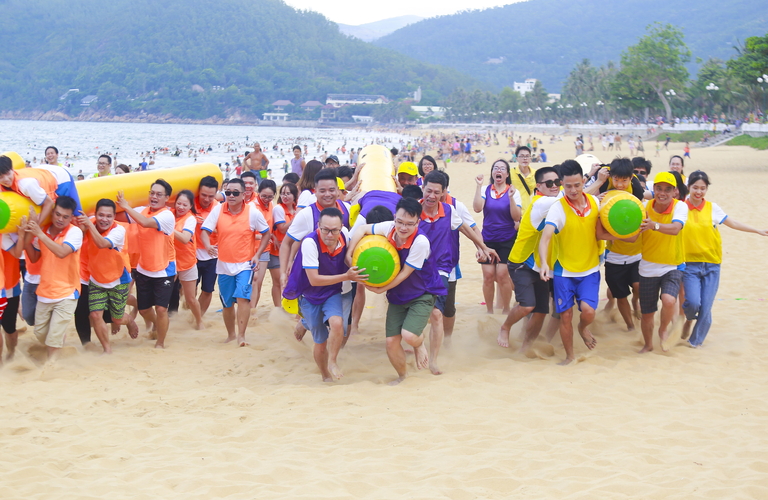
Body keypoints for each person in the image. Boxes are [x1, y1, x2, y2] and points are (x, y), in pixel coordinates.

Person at [347, 198, 446, 385]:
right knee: (391, 342)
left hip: (421, 292)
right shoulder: (390, 227)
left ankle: (419, 343)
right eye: (400, 222)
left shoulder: (420, 242)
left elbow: (404, 274)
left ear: (417, 223)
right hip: (398, 294)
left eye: (409, 224)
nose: (403, 227)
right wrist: (349, 253)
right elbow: (362, 229)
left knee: (409, 335)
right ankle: (402, 376)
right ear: (394, 218)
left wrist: (380, 289)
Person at [538, 160, 618, 365]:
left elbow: (605, 228)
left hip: (589, 269)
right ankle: (570, 356)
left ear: (583, 181)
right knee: (565, 316)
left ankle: (583, 328)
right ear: (562, 184)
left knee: (588, 311)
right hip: (564, 272)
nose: (573, 190)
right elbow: (545, 237)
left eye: (577, 185)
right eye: (568, 186)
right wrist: (545, 263)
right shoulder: (558, 208)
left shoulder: (595, 203)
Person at [419, 170, 495, 374]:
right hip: (415, 270)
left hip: (443, 269)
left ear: (444, 192)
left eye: (437, 192)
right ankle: (419, 346)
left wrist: (483, 247)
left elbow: (467, 229)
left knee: (439, 312)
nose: (432, 196)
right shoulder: (413, 211)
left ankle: (434, 359)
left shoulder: (451, 210)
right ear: (422, 188)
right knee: (417, 311)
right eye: (428, 191)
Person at [681, 171, 768, 347]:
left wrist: (757, 230)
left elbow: (732, 223)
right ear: (688, 187)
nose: (699, 192)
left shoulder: (712, 208)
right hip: (689, 264)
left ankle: (695, 343)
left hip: (712, 264)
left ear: (707, 189)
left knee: (706, 307)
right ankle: (689, 319)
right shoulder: (680, 207)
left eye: (703, 188)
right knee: (693, 303)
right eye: (695, 187)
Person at [283, 207, 368, 381]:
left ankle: (333, 361)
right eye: (325, 230)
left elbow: (359, 239)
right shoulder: (310, 242)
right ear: (318, 226)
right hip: (310, 294)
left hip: (332, 291)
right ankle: (325, 375)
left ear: (341, 228)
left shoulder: (344, 235)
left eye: (334, 230)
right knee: (320, 342)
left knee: (337, 324)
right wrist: (347, 276)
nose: (330, 235)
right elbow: (314, 280)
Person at [200, 178, 270, 346]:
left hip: (245, 264)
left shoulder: (252, 212)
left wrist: (257, 254)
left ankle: (241, 336)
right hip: (223, 264)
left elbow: (266, 233)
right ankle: (231, 335)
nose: (231, 196)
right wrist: (208, 245)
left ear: (244, 195)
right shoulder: (218, 210)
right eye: (228, 192)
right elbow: (204, 231)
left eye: (235, 193)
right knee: (227, 303)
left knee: (242, 298)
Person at [498, 166, 562, 350]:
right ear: (538, 187)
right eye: (549, 183)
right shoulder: (541, 203)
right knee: (527, 306)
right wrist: (595, 184)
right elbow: (569, 199)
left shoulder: (554, 201)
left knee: (541, 311)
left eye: (557, 182)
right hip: (521, 262)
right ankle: (505, 327)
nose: (554, 186)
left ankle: (526, 346)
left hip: (540, 264)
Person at [117, 179, 176, 349]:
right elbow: (119, 217)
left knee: (161, 309)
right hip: (144, 268)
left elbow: (145, 222)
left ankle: (160, 343)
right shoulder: (143, 211)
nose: (154, 197)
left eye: (159, 194)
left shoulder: (167, 215)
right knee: (144, 310)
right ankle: (158, 323)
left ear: (167, 198)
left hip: (164, 270)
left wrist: (126, 206)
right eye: (152, 193)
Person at [23, 196, 82, 361]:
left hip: (67, 292)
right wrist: (28, 233)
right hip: (45, 292)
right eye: (58, 214)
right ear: (52, 213)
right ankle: (57, 342)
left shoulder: (74, 232)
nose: (60, 219)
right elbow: (34, 257)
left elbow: (62, 252)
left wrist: (39, 234)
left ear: (71, 218)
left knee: (53, 338)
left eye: (65, 217)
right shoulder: (44, 230)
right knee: (40, 333)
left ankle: (52, 368)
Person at [76, 199, 139, 353]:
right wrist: (83, 228)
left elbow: (102, 243)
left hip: (118, 280)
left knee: (117, 318)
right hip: (96, 280)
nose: (104, 219)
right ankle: (107, 349)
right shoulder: (90, 223)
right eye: (101, 215)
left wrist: (89, 225)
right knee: (95, 315)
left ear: (114, 217)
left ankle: (129, 320)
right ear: (95, 214)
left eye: (109, 216)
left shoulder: (118, 230)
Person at [637, 171, 688, 353]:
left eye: (668, 189)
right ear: (654, 190)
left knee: (668, 300)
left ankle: (663, 328)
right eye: (659, 189)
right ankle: (648, 344)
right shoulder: (643, 207)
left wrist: (654, 226)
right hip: (647, 267)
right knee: (647, 313)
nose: (663, 193)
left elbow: (675, 229)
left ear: (675, 191)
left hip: (671, 265)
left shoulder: (680, 206)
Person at [473, 159, 522, 314]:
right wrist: (478, 186)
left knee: (502, 275)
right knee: (488, 276)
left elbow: (516, 217)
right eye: (495, 168)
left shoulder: (513, 192)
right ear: (492, 172)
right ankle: (489, 311)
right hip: (488, 239)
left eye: (502, 168)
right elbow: (477, 208)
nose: (498, 170)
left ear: (507, 174)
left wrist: (511, 198)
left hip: (507, 239)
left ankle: (506, 309)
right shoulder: (486, 190)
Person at [170, 190, 203, 329]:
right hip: (170, 261)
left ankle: (199, 322)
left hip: (187, 261)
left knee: (190, 299)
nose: (181, 207)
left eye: (185, 205)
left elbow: (184, 238)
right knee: (165, 296)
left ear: (190, 206)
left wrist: (168, 228)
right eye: (179, 203)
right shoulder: (169, 214)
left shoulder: (190, 219)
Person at [250, 180, 281, 309]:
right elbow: (245, 231)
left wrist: (272, 236)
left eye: (270, 196)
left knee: (259, 283)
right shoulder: (252, 206)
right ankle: (250, 310)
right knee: (254, 282)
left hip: (265, 249)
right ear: (258, 193)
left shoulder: (271, 206)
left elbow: (269, 227)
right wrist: (261, 236)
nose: (266, 199)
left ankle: (253, 309)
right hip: (251, 249)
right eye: (263, 196)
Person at [192, 176, 220, 316]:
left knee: (208, 290)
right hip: (192, 253)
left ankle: (198, 317)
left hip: (213, 254)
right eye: (203, 195)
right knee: (190, 288)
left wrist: (210, 226)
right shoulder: (190, 203)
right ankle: (190, 311)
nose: (206, 199)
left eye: (211, 196)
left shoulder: (218, 208)